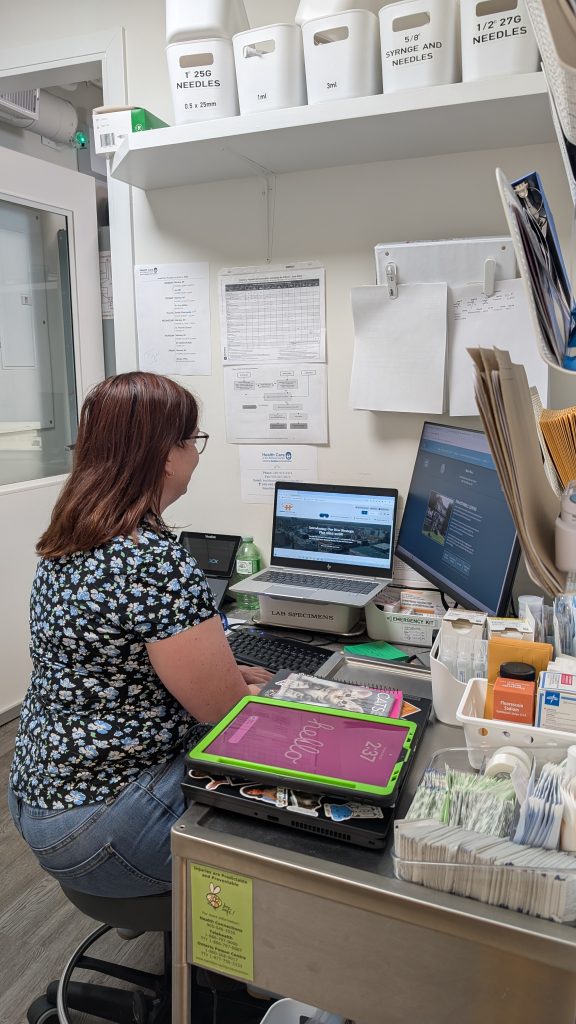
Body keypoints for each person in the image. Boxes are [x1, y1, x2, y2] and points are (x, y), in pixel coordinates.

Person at [8, 372, 271, 897]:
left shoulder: (73, 532)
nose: (197, 456)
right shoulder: (152, 559)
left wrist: (223, 671)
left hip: (41, 794)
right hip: (101, 824)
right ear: (166, 454)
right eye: (193, 442)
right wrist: (275, 695)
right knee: (276, 777)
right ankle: (233, 965)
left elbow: (107, 663)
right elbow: (222, 712)